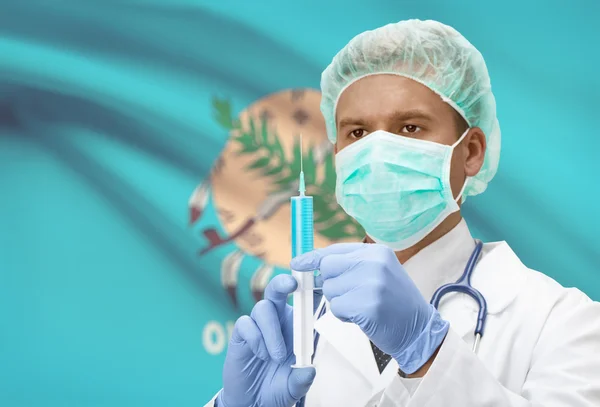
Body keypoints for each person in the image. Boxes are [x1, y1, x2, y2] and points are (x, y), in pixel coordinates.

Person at [204, 19, 600, 407]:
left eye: (410, 127)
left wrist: (427, 353)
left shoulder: (563, 322)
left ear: (472, 151)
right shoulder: (300, 331)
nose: (378, 151)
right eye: (357, 132)